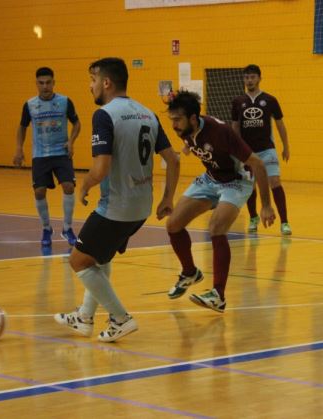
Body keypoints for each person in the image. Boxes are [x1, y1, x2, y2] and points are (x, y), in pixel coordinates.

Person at [54, 57, 180, 342]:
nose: (90, 86)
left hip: (116, 207)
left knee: (79, 261)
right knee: (100, 255)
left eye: (93, 80)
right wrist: (167, 198)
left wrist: (84, 186)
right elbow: (173, 160)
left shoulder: (105, 115)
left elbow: (101, 168)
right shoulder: (148, 113)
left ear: (106, 83)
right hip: (141, 207)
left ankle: (121, 318)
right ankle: (85, 317)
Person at [166, 90, 275, 312]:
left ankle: (218, 295)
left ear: (193, 118)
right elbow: (191, 142)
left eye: (177, 120)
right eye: (172, 120)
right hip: (211, 178)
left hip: (237, 181)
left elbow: (258, 165)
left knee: (216, 227)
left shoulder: (221, 132)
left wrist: (265, 205)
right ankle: (190, 272)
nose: (174, 125)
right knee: (173, 224)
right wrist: (187, 148)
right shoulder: (186, 130)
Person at [14, 67, 81, 246]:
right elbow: (22, 127)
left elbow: (76, 123)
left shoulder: (65, 101)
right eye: (41, 83)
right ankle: (46, 228)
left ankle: (67, 228)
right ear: (36, 84)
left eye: (48, 82)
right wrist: (19, 149)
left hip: (61, 153)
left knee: (68, 186)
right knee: (39, 191)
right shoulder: (30, 105)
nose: (45, 86)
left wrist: (71, 141)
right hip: (40, 155)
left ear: (54, 82)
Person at [231, 64, 291, 235]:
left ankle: (285, 222)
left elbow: (280, 125)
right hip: (248, 152)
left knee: (275, 182)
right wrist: (236, 151)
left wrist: (286, 146)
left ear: (259, 78)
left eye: (252, 77)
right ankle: (253, 217)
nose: (249, 80)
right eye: (247, 77)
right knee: (250, 186)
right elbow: (235, 127)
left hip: (267, 150)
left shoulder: (270, 100)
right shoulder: (238, 102)